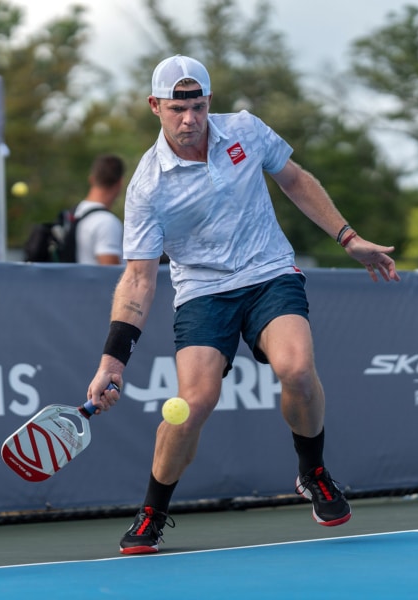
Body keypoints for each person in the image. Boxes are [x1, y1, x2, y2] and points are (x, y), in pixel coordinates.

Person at [85, 55, 401, 555]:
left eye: (198, 106)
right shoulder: (147, 186)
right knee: (193, 404)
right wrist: (113, 362)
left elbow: (294, 179)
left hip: (268, 271)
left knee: (297, 369)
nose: (190, 119)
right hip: (202, 291)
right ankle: (152, 512)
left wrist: (348, 237)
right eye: (177, 109)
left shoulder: (245, 131)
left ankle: (312, 471)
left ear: (209, 101)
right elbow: (139, 279)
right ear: (155, 107)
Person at [73, 154, 126, 265]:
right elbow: (110, 271)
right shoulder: (107, 222)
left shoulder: (77, 212)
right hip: (93, 278)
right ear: (120, 183)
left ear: (92, 179)